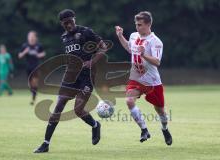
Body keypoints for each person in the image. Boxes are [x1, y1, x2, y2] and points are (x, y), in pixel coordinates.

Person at [34, 9, 107, 153]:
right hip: (70, 77)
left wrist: (92, 61)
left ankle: (95, 125)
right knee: (58, 107)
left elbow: (103, 48)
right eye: (65, 23)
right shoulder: (64, 37)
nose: (68, 25)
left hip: (86, 77)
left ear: (74, 19)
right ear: (62, 24)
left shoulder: (86, 32)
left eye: (70, 22)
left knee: (78, 110)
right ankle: (45, 143)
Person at [115, 11, 172, 145]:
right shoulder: (134, 36)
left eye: (140, 25)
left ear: (148, 24)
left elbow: (157, 62)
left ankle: (164, 129)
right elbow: (130, 49)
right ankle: (144, 130)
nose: (137, 27)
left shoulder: (156, 41)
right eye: (136, 24)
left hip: (152, 81)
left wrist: (144, 54)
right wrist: (120, 36)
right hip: (136, 77)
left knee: (160, 111)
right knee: (129, 101)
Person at [18, 31, 46, 105]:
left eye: (32, 36)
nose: (30, 38)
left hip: (36, 66)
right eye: (29, 36)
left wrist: (38, 55)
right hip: (28, 67)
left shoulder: (38, 45)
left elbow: (43, 53)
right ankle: (34, 93)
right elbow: (19, 56)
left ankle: (33, 98)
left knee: (35, 82)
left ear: (35, 37)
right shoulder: (25, 46)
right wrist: (25, 52)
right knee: (30, 85)